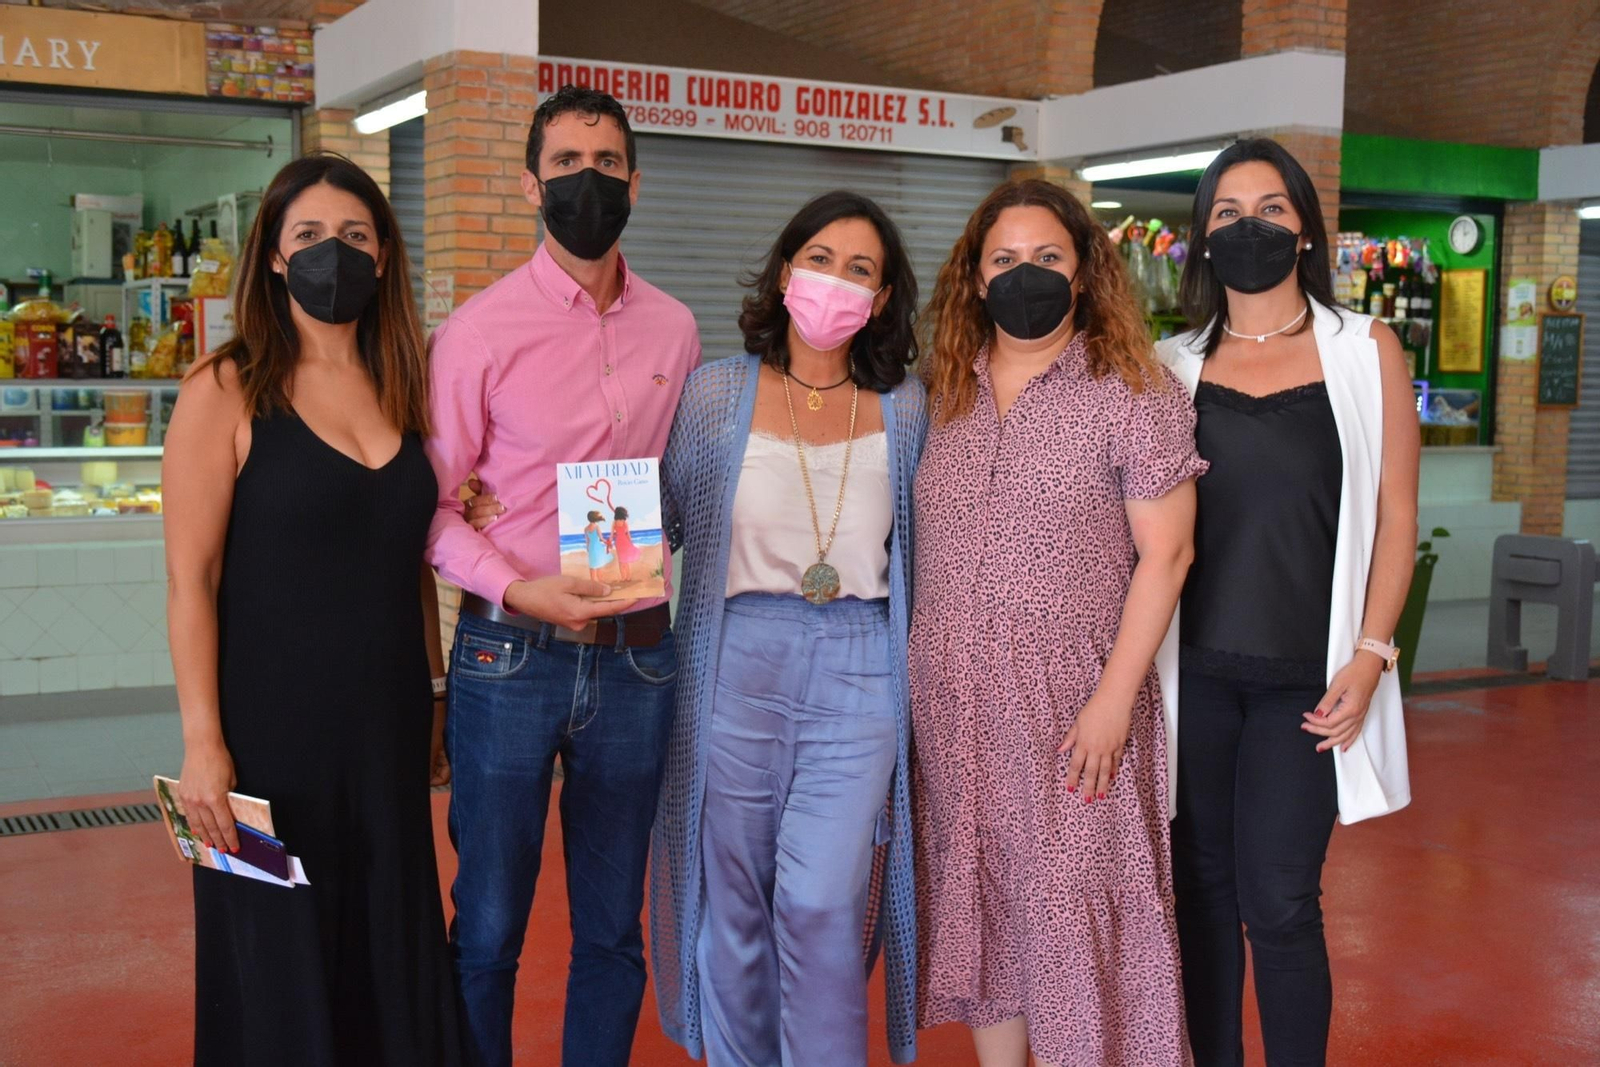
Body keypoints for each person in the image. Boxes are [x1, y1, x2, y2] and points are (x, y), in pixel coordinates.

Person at [424, 84, 700, 1067]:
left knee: (613, 928)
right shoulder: (478, 333)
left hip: (636, 653)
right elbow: (433, 504)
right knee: (490, 925)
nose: (590, 180)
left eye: (608, 163)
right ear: (533, 180)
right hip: (513, 652)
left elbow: (680, 479)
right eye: (569, 163)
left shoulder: (675, 329)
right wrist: (512, 582)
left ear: (635, 178)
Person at [163, 151, 460, 1065]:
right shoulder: (224, 387)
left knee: (390, 952)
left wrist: (436, 692)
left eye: (356, 235)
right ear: (276, 257)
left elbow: (411, 563)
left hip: (385, 729)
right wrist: (203, 744)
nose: (336, 252)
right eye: (311, 236)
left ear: (384, 253)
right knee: (273, 962)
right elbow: (191, 581)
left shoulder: (406, 382)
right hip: (265, 746)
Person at [911, 178, 1204, 1067]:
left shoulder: (1129, 390)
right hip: (955, 713)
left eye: (1047, 258)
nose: (1024, 275)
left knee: (1079, 922)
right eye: (1003, 259)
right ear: (972, 276)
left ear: (1083, 278)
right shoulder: (940, 396)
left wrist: (1115, 700)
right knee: (986, 910)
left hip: (1077, 710)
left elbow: (1170, 554)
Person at [1156, 138, 1416, 1067]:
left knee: (1280, 900)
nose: (1248, 227)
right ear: (1202, 238)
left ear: (1304, 229)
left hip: (1308, 681)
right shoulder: (1168, 363)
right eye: (1226, 212)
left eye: (1270, 208)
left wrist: (1371, 654)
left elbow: (1396, 516)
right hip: (1193, 679)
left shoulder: (1365, 349)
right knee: (1203, 893)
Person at [655, 189, 925, 1067]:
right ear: (783, 273)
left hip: (860, 667)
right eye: (819, 260)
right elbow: (655, 523)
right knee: (732, 898)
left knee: (817, 901)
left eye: (860, 271)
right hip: (736, 657)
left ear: (881, 300)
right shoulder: (714, 394)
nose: (834, 283)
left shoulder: (907, 408)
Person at [611, 505, 638, 581]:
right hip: (625, 541)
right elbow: (627, 534)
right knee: (625, 560)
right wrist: (631, 542)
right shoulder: (624, 522)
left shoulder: (614, 523)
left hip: (618, 542)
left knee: (621, 561)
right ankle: (628, 577)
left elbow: (612, 534)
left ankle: (623, 577)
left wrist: (610, 541)